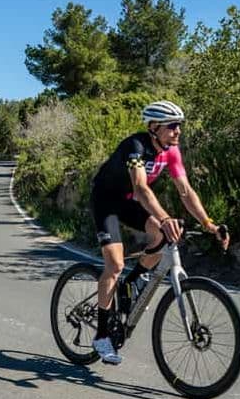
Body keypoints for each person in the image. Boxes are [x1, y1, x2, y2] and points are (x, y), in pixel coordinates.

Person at [89, 100, 230, 365]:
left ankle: (133, 283)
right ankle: (102, 336)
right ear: (154, 127)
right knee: (115, 264)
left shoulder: (172, 152)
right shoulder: (136, 147)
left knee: (161, 235)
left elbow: (186, 192)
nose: (178, 131)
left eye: (179, 126)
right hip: (106, 199)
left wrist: (208, 223)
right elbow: (141, 188)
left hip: (128, 201)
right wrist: (164, 217)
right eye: (172, 126)